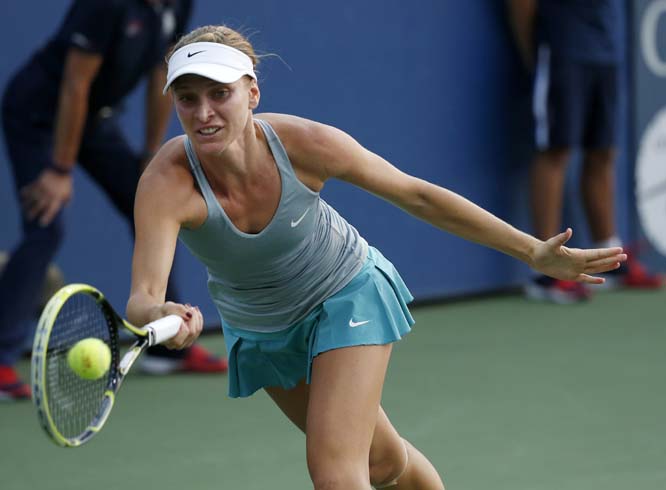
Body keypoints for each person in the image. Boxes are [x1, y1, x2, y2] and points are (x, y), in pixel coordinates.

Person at [126, 25, 628, 489]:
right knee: (381, 462)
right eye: (188, 99)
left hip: (344, 293)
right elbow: (143, 298)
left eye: (220, 93)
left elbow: (418, 195)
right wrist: (162, 313)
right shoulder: (165, 184)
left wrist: (531, 251)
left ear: (252, 93)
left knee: (337, 475)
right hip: (261, 327)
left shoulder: (306, 145)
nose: (204, 113)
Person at [0, 0, 227, 402]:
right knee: (46, 226)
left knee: (156, 206)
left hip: (94, 118)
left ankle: (165, 348)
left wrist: (151, 154)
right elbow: (75, 83)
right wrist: (59, 169)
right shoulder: (105, 5)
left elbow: (164, 72)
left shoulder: (178, 4)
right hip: (38, 115)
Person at [506, 0, 662, 304]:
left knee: (602, 152)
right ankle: (545, 271)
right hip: (562, 47)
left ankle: (608, 260)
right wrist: (537, 53)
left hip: (605, 51)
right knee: (555, 150)